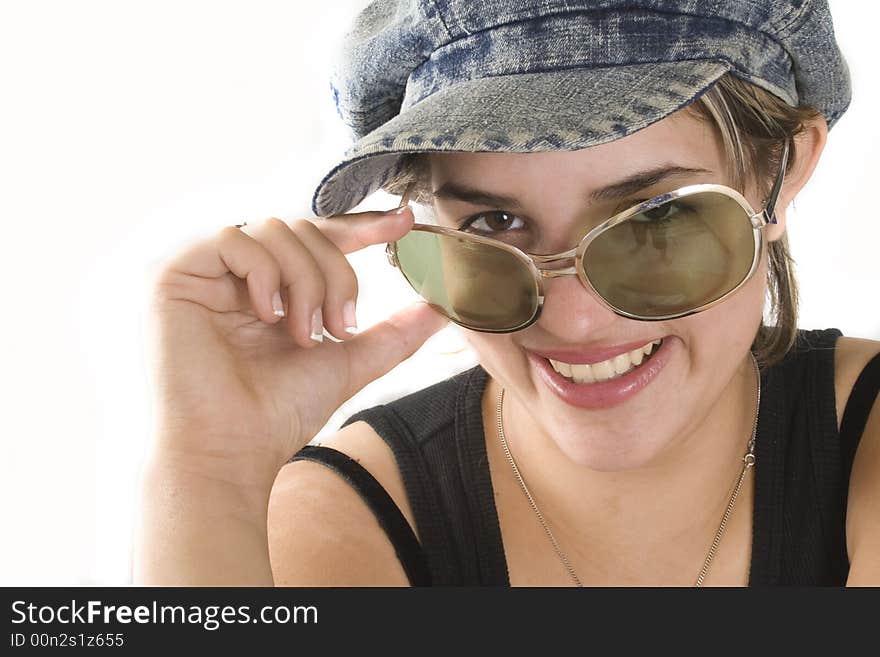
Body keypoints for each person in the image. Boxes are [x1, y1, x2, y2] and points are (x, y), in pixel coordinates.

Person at [135, 0, 880, 586]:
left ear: (782, 169)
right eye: (495, 222)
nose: (574, 316)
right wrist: (211, 467)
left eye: (656, 219)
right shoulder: (344, 516)